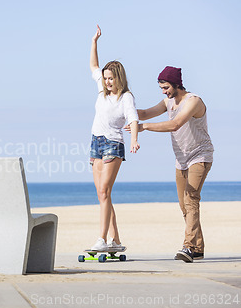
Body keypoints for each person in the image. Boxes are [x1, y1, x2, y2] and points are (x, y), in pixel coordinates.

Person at [127, 66, 214, 262]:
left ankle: (189, 247)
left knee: (191, 199)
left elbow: (176, 124)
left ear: (176, 84)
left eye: (166, 87)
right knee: (184, 205)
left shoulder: (193, 101)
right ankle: (198, 248)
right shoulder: (168, 101)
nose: (164, 91)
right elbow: (146, 113)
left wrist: (145, 128)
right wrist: (125, 109)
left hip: (200, 155)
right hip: (181, 158)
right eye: (162, 88)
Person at [88, 25, 140, 251]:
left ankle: (101, 239)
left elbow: (133, 119)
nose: (107, 81)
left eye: (111, 78)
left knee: (104, 191)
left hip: (113, 144)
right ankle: (116, 241)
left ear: (119, 78)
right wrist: (94, 42)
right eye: (105, 78)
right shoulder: (101, 89)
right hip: (95, 143)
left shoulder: (126, 97)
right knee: (103, 195)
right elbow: (93, 66)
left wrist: (134, 140)